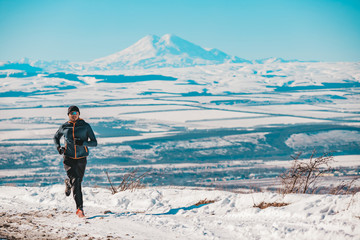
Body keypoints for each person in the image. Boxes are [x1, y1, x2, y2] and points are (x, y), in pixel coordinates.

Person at [53, 105, 97, 218]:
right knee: (76, 181)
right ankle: (79, 208)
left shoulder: (85, 126)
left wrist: (83, 143)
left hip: (82, 158)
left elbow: (94, 142)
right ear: (68, 115)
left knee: (78, 181)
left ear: (79, 114)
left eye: (75, 113)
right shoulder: (64, 126)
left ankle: (68, 183)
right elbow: (56, 137)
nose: (74, 115)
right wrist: (59, 147)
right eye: (71, 113)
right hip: (68, 158)